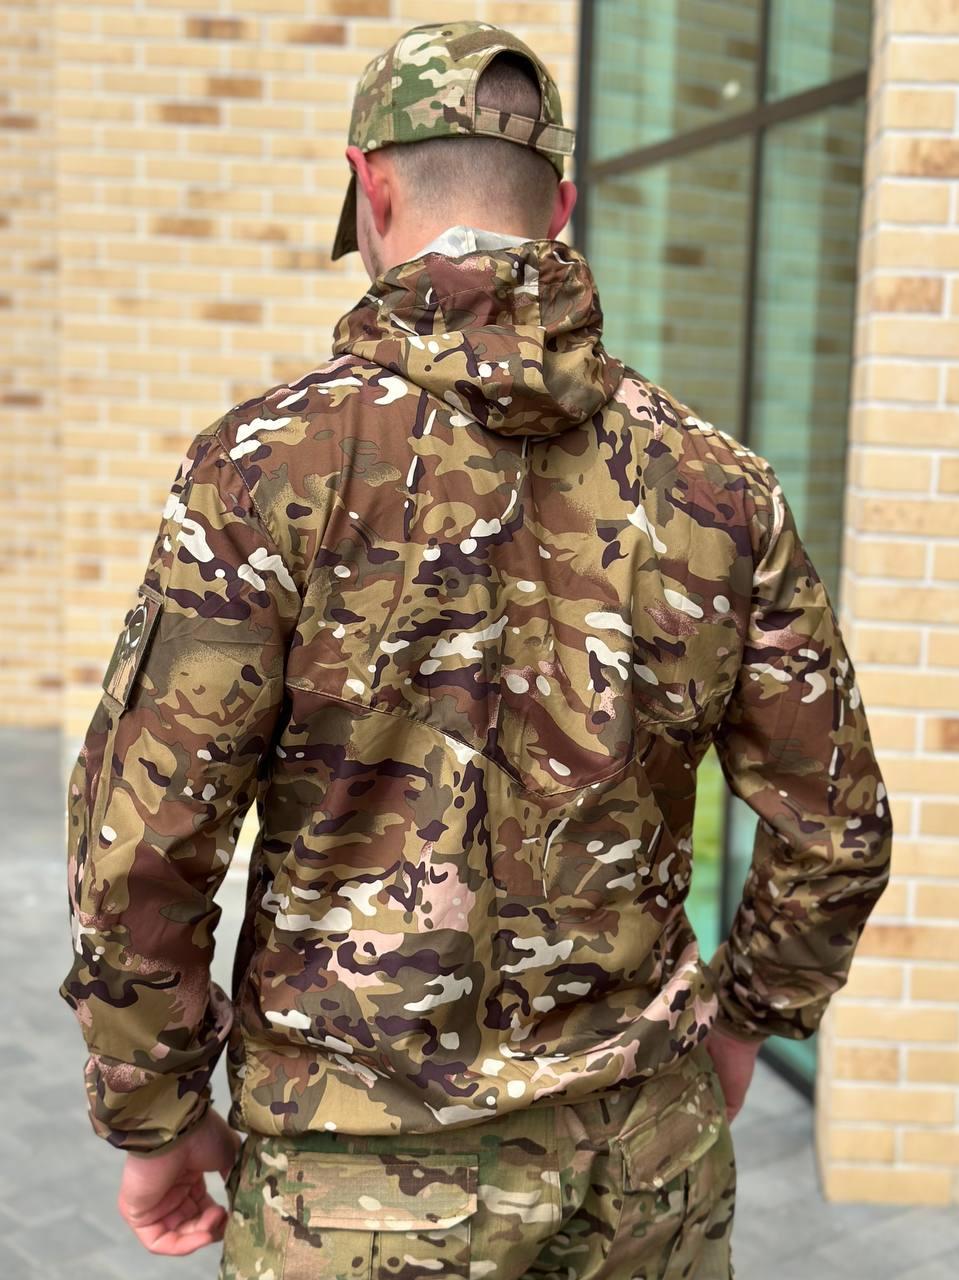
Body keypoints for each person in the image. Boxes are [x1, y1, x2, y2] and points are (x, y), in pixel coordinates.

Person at [60, 20, 893, 1280]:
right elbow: (835, 823)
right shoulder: (717, 485)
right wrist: (745, 1022)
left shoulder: (265, 470)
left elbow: (140, 842)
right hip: (640, 1168)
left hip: (351, 1184)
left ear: (371, 187)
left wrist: (155, 1117)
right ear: (559, 206)